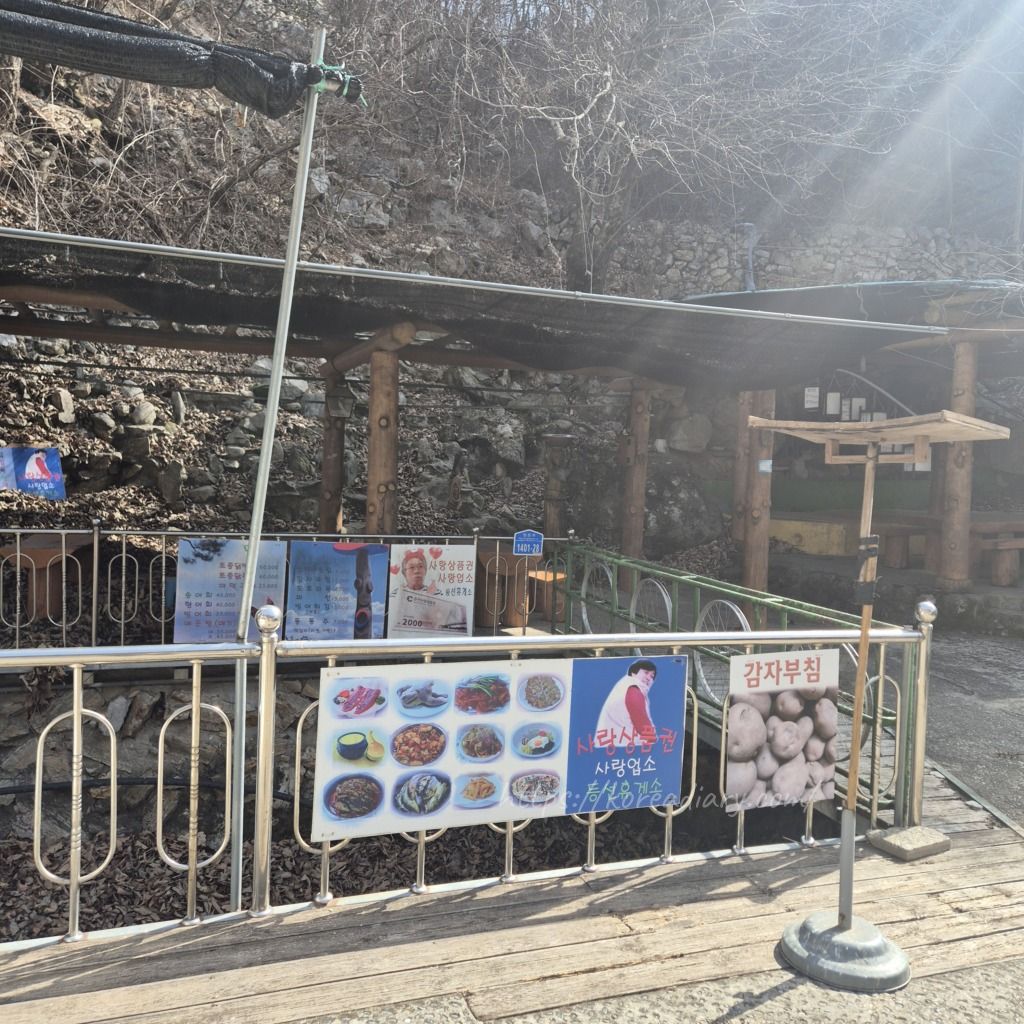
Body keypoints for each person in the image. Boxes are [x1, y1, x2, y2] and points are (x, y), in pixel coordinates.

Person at [594, 659, 658, 747]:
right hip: (624, 746)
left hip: (610, 745)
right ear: (633, 673)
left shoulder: (623, 686)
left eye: (652, 676)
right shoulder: (633, 689)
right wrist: (653, 740)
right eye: (646, 672)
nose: (649, 678)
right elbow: (641, 722)